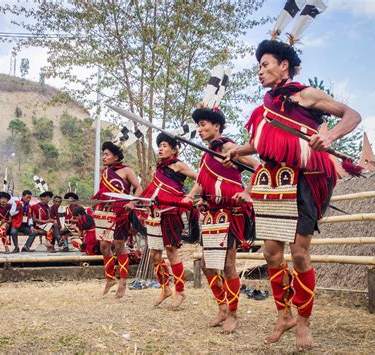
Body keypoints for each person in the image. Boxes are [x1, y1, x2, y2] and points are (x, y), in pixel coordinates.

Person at [226, 40, 361, 350]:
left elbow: (351, 115)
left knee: (299, 253)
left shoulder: (306, 96)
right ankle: (284, 314)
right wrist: (237, 150)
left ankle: (303, 320)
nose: (260, 72)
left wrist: (329, 135)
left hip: (305, 179)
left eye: (265, 65)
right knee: (271, 253)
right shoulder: (264, 111)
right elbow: (260, 145)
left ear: (283, 65)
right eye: (259, 67)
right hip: (273, 181)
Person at [183, 106, 258, 334]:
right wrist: (198, 198)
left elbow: (259, 167)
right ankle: (222, 306)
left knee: (228, 266)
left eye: (204, 123)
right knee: (207, 265)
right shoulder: (207, 155)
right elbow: (205, 182)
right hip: (212, 215)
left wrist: (248, 192)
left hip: (231, 213)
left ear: (217, 126)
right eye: (199, 125)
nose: (201, 128)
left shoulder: (229, 147)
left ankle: (233, 314)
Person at [141, 133, 198, 309]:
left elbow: (201, 178)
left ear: (174, 150)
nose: (161, 148)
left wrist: (190, 196)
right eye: (160, 145)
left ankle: (180, 291)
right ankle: (165, 288)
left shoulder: (178, 165)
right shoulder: (159, 168)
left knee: (171, 251)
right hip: (155, 213)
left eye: (165, 145)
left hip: (171, 212)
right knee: (154, 254)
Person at [93, 141, 143, 298]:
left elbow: (139, 188)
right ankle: (110, 278)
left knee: (119, 244)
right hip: (105, 210)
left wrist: (132, 202)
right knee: (103, 245)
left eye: (106, 154)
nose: (104, 157)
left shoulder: (127, 170)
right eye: (103, 154)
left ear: (116, 156)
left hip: (121, 212)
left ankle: (123, 280)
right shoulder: (105, 172)